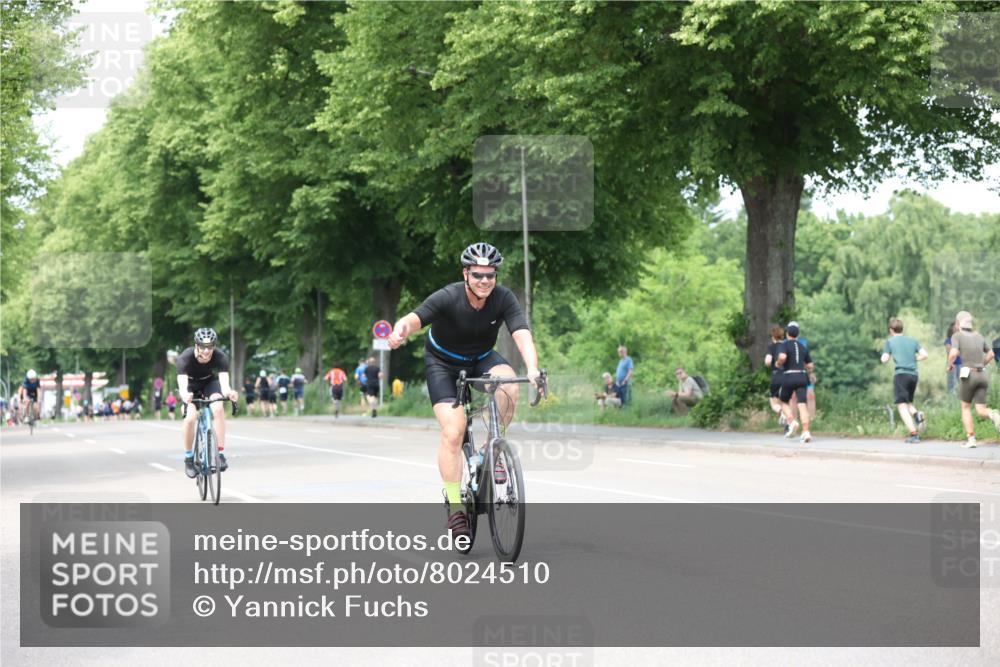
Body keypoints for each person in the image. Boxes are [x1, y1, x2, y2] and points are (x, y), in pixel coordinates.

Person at [387, 242, 541, 539]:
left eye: (490, 275)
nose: (485, 281)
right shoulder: (449, 296)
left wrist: (532, 369)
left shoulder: (503, 298)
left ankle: (492, 451)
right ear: (466, 274)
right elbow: (413, 319)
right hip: (443, 363)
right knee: (454, 431)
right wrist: (400, 330)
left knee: (508, 383)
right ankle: (457, 507)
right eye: (478, 275)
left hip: (481, 357)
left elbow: (521, 333)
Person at [176, 328, 239, 478]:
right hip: (190, 387)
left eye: (210, 347)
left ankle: (220, 454)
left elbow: (224, 384)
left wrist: (229, 393)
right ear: (196, 345)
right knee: (190, 418)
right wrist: (185, 395)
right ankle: (189, 458)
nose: (206, 351)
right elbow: (183, 386)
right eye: (203, 347)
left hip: (209, 384)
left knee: (218, 408)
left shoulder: (220, 356)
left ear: (214, 346)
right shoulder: (185, 358)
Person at [947, 311, 1000, 448]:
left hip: (968, 374)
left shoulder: (957, 336)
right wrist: (982, 364)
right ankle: (994, 414)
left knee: (965, 407)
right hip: (982, 374)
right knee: (981, 409)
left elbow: (953, 353)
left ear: (958, 324)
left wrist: (949, 365)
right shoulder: (979, 336)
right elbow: (991, 353)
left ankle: (971, 439)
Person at [880, 318, 929, 443]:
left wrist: (887, 355)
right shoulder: (912, 341)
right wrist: (912, 359)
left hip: (901, 375)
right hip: (913, 375)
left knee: (901, 406)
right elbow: (925, 355)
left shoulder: (890, 342)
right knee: (908, 403)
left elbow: (884, 359)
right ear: (902, 329)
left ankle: (914, 435)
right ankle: (917, 415)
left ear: (891, 330)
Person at [775, 321, 815, 443]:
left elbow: (782, 357)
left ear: (787, 333)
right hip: (802, 377)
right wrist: (804, 366)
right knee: (802, 404)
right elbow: (810, 365)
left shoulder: (785, 345)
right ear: (798, 334)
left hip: (789, 375)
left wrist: (778, 363)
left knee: (783, 401)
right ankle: (806, 432)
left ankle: (792, 422)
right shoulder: (803, 347)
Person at [763, 325, 788, 431]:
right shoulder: (786, 346)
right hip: (787, 376)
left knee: (774, 401)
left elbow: (768, 361)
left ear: (773, 336)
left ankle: (781, 413)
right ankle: (787, 426)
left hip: (776, 376)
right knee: (785, 402)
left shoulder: (771, 347)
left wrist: (769, 364)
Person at [944, 322, 962, 395]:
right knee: (952, 385)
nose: (956, 330)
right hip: (952, 365)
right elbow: (951, 352)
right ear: (951, 330)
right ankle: (952, 403)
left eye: (957, 328)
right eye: (954, 328)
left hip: (962, 364)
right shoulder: (948, 340)